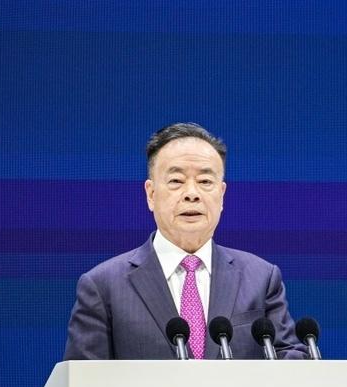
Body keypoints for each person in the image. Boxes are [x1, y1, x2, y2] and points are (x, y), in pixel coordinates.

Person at [63, 123, 307, 360]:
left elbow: (290, 360)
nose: (192, 194)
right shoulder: (103, 286)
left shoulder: (261, 278)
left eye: (205, 182)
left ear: (222, 195)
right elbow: (83, 381)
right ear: (151, 194)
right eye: (176, 181)